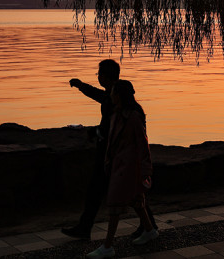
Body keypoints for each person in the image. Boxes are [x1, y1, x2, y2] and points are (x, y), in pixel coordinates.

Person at [62, 60, 156, 240]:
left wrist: (96, 132)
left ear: (105, 76)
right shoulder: (115, 95)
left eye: (99, 74)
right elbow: (100, 97)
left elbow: (113, 127)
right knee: (106, 190)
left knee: (127, 192)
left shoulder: (119, 100)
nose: (98, 77)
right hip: (111, 153)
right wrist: (82, 86)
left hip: (114, 155)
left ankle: (138, 230)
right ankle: (87, 227)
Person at [87, 80, 158, 258]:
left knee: (115, 204)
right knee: (136, 200)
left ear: (119, 95)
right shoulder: (116, 114)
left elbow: (143, 144)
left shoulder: (133, 117)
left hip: (128, 168)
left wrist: (145, 170)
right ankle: (149, 230)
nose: (110, 96)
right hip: (119, 165)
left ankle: (108, 246)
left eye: (113, 93)